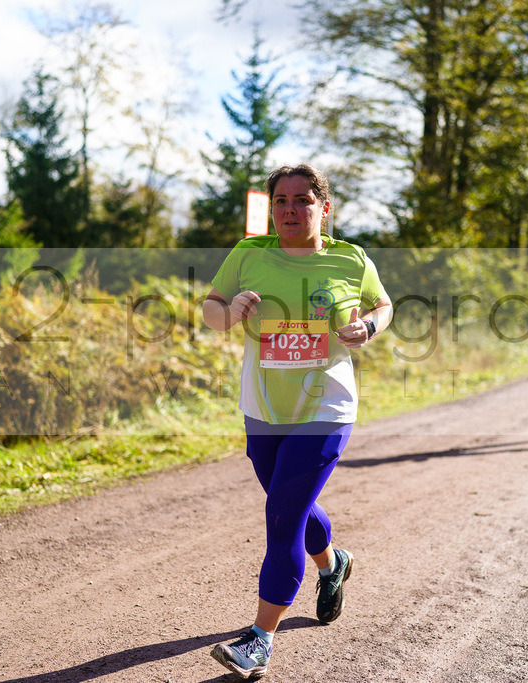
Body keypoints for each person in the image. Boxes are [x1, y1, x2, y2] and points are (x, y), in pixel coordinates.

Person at [202, 164, 393, 679]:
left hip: (325, 406)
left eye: (302, 200)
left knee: (283, 515)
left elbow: (383, 304)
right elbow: (210, 310)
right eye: (281, 200)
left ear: (323, 208)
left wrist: (368, 327)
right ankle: (333, 564)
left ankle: (260, 639)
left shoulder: (350, 259)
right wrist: (231, 310)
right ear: (271, 207)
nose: (290, 209)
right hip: (264, 407)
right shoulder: (248, 254)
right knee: (288, 499)